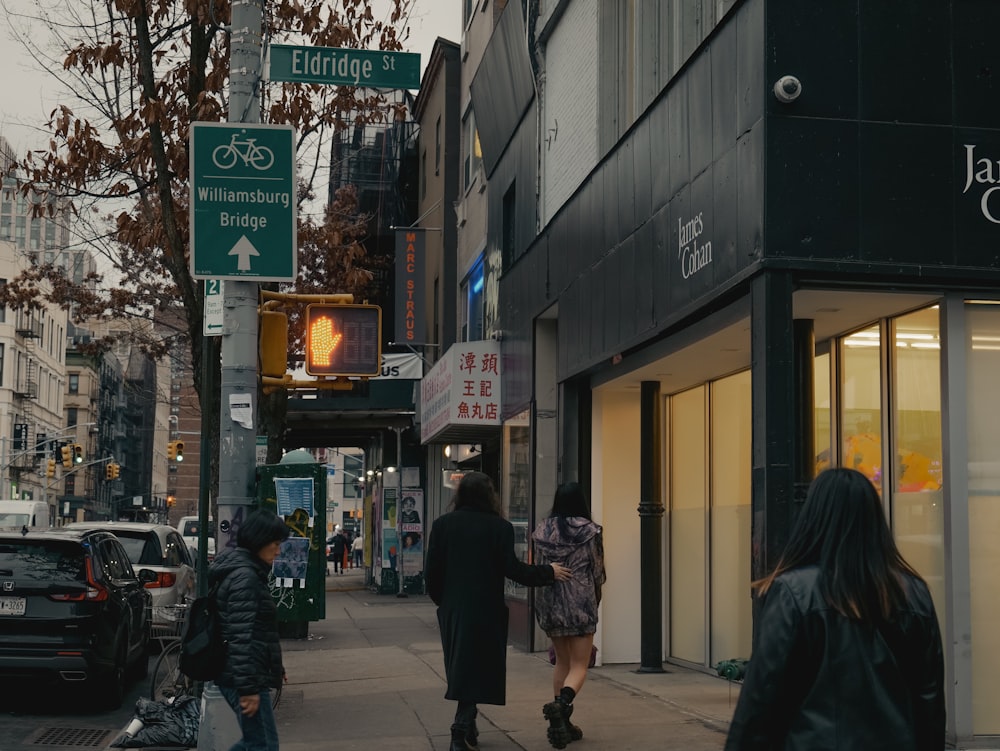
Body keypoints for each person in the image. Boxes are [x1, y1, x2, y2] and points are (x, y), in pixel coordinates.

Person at [725, 468, 945, 751]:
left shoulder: (794, 593)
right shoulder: (913, 593)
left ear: (813, 518)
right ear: (875, 521)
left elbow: (761, 700)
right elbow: (929, 702)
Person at [426, 471, 572, 751]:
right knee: (478, 668)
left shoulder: (443, 525)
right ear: (489, 495)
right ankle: (460, 730)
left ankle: (467, 728)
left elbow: (433, 570)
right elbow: (513, 570)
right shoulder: (499, 527)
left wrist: (442, 602)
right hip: (486, 609)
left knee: (462, 668)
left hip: (453, 608)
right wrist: (548, 572)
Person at [532, 481, 606, 749]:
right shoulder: (590, 531)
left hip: (552, 602)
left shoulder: (542, 530)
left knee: (562, 663)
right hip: (580, 602)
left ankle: (561, 723)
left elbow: (539, 568)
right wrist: (596, 598)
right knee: (579, 665)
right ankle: (561, 705)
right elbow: (598, 572)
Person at [209, 509, 290, 751]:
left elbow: (258, 630)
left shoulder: (248, 572)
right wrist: (248, 690)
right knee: (263, 745)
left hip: (246, 673)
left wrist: (275, 666)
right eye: (275, 544)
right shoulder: (246, 578)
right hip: (242, 676)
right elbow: (240, 637)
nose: (278, 551)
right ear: (259, 542)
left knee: (258, 743)